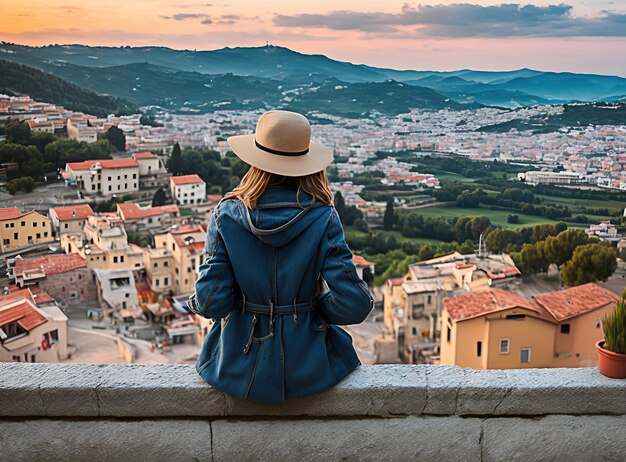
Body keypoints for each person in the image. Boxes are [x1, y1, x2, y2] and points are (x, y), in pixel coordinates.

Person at [188, 110, 373, 403]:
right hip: (311, 369)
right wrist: (309, 310)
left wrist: (197, 302)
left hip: (236, 367)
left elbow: (212, 301)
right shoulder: (323, 216)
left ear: (255, 161)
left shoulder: (225, 214)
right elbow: (354, 303)